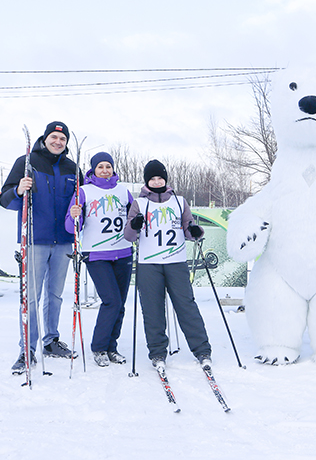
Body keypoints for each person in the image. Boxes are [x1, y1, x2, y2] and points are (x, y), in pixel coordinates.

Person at [0, 121, 81, 374]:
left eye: (62, 139)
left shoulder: (72, 168)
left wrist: (80, 211)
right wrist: (18, 190)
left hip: (63, 241)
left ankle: (51, 341)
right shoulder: (27, 162)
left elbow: (78, 201)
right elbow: (4, 200)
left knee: (55, 295)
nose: (58, 142)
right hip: (35, 239)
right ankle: (28, 349)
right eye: (54, 137)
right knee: (31, 297)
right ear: (45, 138)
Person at [123, 159, 212, 370]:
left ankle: (202, 350)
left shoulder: (180, 201)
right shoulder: (139, 203)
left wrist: (195, 232)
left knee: (187, 306)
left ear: (166, 179)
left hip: (176, 262)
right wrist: (135, 225)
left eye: (160, 178)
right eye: (152, 178)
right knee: (152, 310)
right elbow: (128, 236)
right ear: (146, 181)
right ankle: (157, 352)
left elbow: (188, 229)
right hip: (149, 264)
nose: (156, 181)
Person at [66, 152, 134, 367]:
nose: (105, 170)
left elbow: (134, 220)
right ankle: (99, 347)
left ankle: (112, 347)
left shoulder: (124, 191)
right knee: (111, 301)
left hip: (123, 252)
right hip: (96, 254)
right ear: (93, 170)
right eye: (100, 167)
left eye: (108, 166)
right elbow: (70, 228)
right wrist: (74, 215)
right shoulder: (84, 191)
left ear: (113, 169)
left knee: (120, 304)